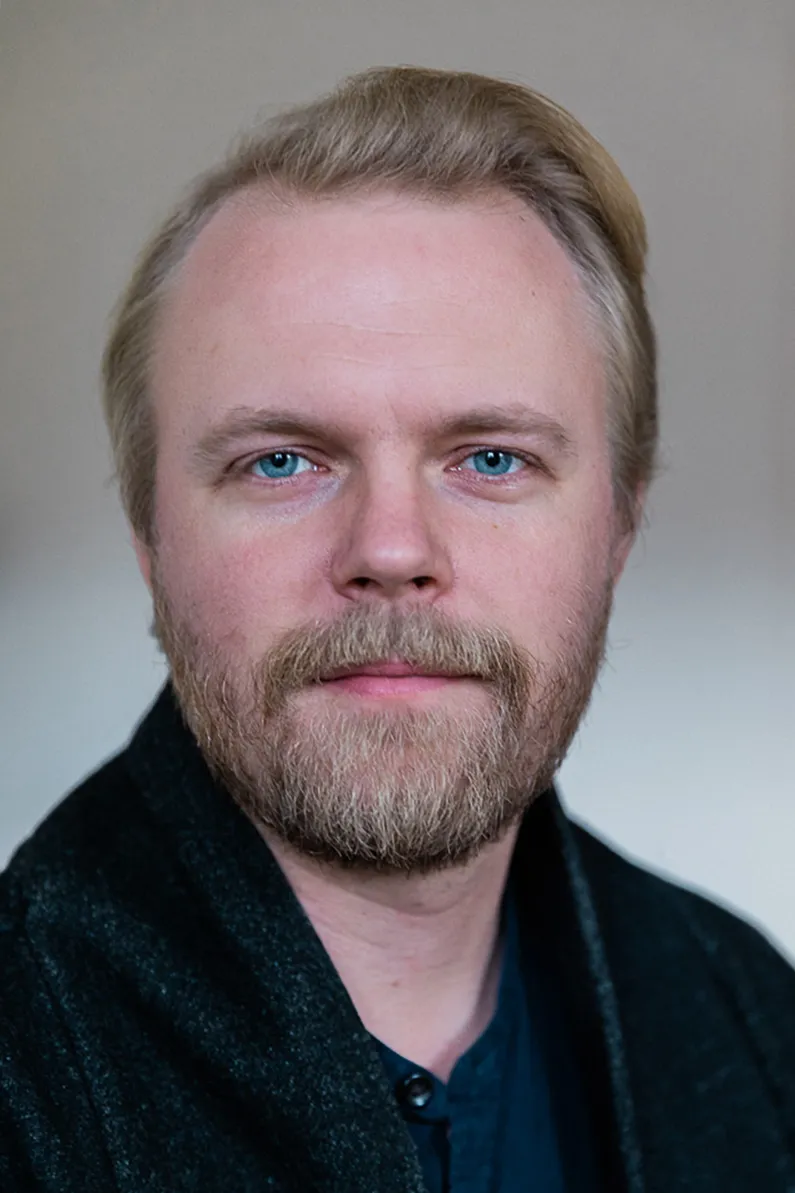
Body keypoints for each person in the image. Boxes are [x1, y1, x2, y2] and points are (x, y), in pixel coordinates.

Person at [1, 65, 793, 1193]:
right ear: (148, 537)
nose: (389, 547)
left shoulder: (755, 1024)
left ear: (619, 524)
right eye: (281, 459)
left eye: (491, 458)